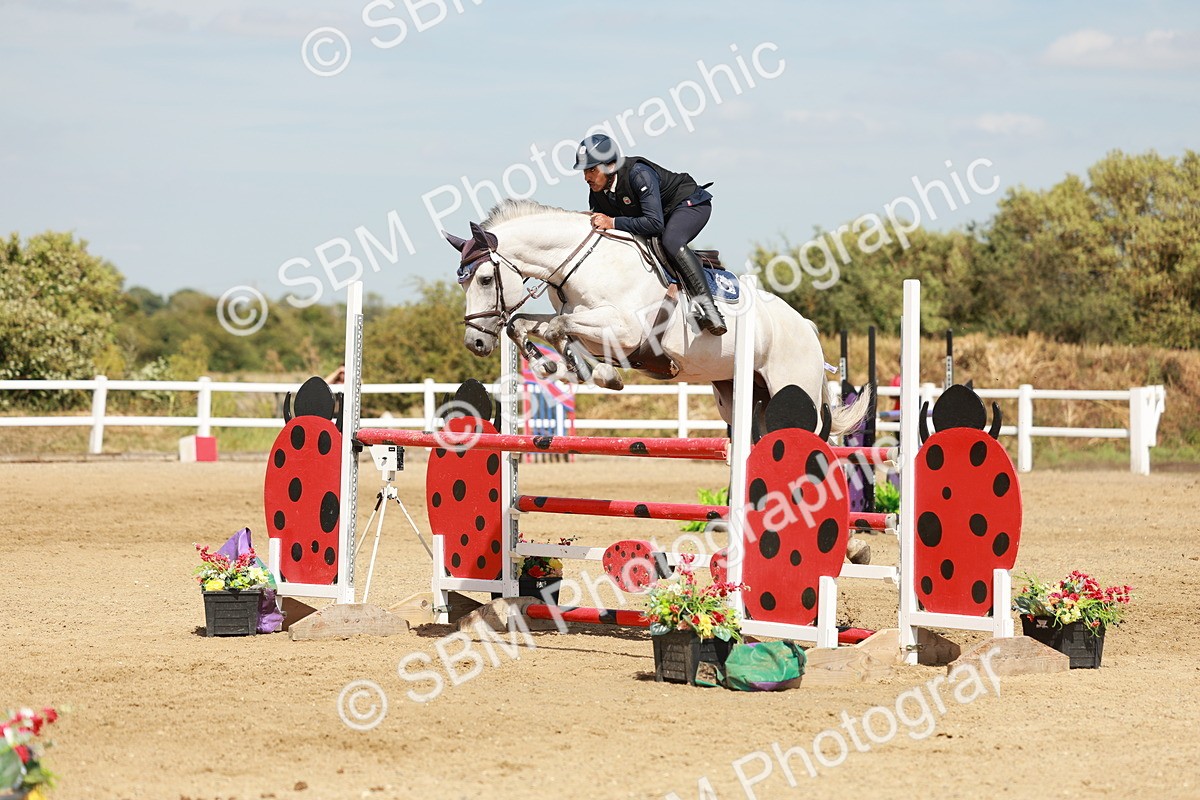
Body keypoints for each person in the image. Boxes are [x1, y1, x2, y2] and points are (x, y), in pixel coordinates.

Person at [573, 134, 726, 335]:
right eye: (585, 171)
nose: (587, 178)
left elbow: (654, 224)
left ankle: (709, 310)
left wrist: (613, 222)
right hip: (661, 217)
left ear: (610, 166)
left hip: (689, 204)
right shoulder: (597, 191)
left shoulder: (638, 174)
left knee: (670, 240)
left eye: (592, 170)